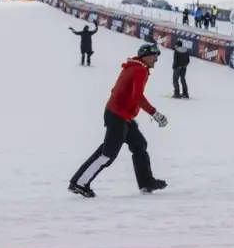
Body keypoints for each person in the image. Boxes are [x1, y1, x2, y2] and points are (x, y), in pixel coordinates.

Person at [68, 44, 168, 197]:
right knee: (107, 154)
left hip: (121, 115)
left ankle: (146, 182)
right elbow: (137, 97)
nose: (156, 59)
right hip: (117, 115)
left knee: (139, 144)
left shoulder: (134, 67)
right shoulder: (139, 70)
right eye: (155, 55)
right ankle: (79, 183)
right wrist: (155, 114)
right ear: (146, 56)